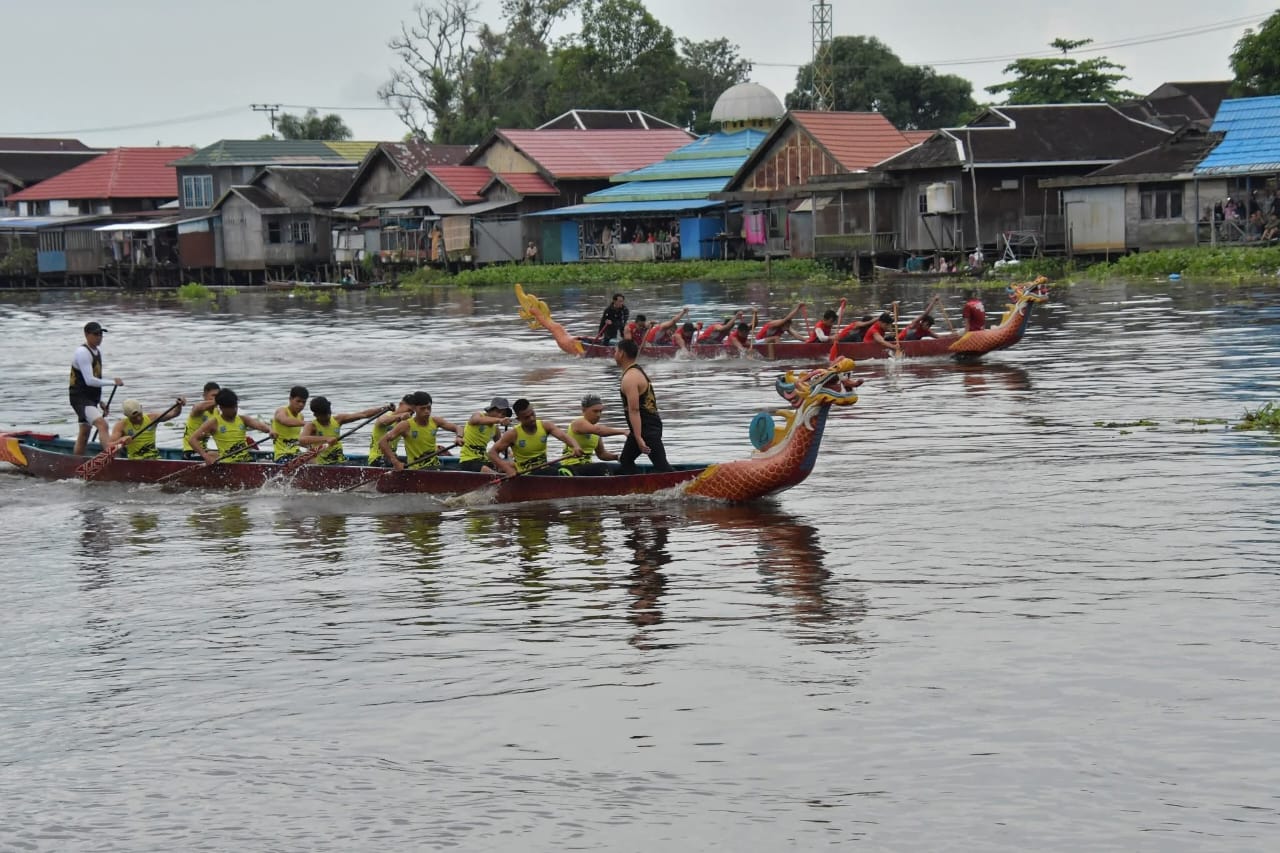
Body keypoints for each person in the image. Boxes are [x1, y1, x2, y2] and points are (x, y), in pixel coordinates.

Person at [615, 339, 672, 473]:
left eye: (615, 351)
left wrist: (639, 437)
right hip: (644, 426)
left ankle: (686, 486)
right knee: (626, 460)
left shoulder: (630, 377)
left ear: (622, 353)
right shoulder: (636, 370)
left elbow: (634, 410)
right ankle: (638, 488)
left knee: (661, 466)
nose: (614, 354)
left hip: (646, 428)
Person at [487, 398, 582, 476]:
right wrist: (507, 469)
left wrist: (575, 446)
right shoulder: (513, 434)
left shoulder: (545, 426)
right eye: (527, 417)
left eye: (532, 414)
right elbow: (492, 453)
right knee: (553, 472)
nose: (532, 418)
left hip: (544, 467)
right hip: (527, 472)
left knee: (569, 469)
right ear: (519, 419)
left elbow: (564, 436)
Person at [69, 320, 124, 456]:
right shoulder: (83, 352)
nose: (99, 337)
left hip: (90, 399)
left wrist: (100, 401)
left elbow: (96, 379)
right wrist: (113, 382)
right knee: (102, 424)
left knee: (84, 435)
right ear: (87, 335)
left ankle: (75, 463)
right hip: (80, 398)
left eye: (101, 334)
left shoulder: (96, 351)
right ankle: (111, 458)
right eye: (96, 334)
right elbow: (89, 381)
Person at [379, 391, 464, 471]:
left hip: (434, 466)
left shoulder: (435, 421)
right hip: (417, 469)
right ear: (414, 408)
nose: (427, 411)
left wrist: (459, 437)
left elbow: (458, 428)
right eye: (422, 409)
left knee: (459, 470)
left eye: (429, 408)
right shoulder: (406, 425)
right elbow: (382, 442)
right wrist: (395, 462)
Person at [188, 388, 275, 464]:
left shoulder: (243, 419)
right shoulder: (214, 423)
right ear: (221, 407)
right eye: (231, 408)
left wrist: (271, 430)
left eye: (235, 406)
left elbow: (260, 426)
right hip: (228, 464)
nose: (235, 410)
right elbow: (192, 440)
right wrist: (205, 456)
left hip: (246, 461)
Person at [297, 397, 390, 466]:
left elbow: (363, 414)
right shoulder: (311, 425)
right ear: (315, 414)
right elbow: (301, 440)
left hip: (340, 461)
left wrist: (384, 409)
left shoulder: (338, 420)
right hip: (324, 465)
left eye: (328, 414)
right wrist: (326, 439)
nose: (327, 418)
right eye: (323, 416)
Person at [559, 393, 629, 476]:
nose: (598, 415)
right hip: (571, 466)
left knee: (624, 468)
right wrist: (623, 431)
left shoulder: (596, 431)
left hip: (586, 466)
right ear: (584, 410)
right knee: (602, 467)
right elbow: (599, 430)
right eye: (595, 411)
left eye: (600, 411)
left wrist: (617, 457)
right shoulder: (578, 423)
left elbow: (602, 454)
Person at [109, 397, 186, 460]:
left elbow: (174, 413)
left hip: (154, 459)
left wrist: (179, 405)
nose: (138, 419)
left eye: (139, 414)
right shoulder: (121, 425)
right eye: (134, 418)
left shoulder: (152, 418)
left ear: (141, 408)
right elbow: (109, 445)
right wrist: (121, 440)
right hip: (135, 462)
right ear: (126, 415)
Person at [458, 396, 512, 472]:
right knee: (489, 472)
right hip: (468, 460)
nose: (500, 415)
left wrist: (510, 454)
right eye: (498, 412)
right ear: (490, 410)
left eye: (503, 414)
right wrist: (500, 420)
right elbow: (476, 420)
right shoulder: (478, 415)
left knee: (508, 468)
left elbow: (501, 447)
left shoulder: (495, 429)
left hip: (484, 460)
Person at [367, 394, 414, 467]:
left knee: (415, 461)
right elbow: (382, 421)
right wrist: (399, 416)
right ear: (401, 404)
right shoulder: (387, 415)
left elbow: (416, 439)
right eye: (409, 410)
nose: (409, 414)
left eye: (412, 413)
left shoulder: (406, 424)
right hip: (377, 459)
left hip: (392, 457)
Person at [182, 381, 221, 460]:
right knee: (221, 457)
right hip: (190, 451)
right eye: (213, 396)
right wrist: (221, 400)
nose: (215, 398)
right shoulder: (197, 410)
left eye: (218, 396)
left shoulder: (217, 412)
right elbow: (197, 407)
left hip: (203, 451)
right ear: (204, 396)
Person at [270, 385, 309, 462]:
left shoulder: (301, 417)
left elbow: (297, 440)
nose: (301, 405)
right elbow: (284, 420)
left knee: (315, 457)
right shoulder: (281, 411)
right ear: (290, 399)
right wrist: (306, 424)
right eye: (298, 401)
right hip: (282, 455)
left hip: (296, 453)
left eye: (303, 402)